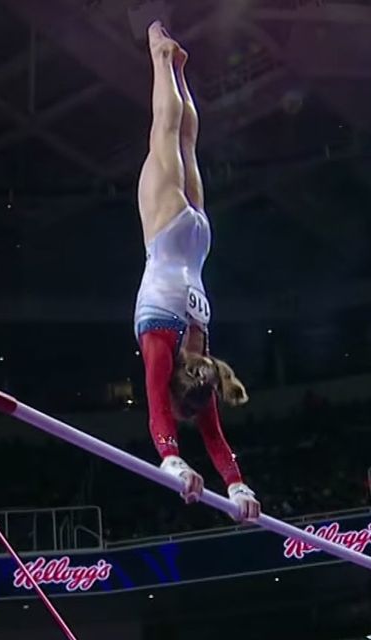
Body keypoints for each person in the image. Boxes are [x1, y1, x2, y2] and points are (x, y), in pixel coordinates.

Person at [134, 20, 260, 523]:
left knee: (186, 141)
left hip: (198, 239)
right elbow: (157, 411)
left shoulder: (205, 364)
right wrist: (169, 459)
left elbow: (214, 435)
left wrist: (239, 487)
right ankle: (159, 53)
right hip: (165, 237)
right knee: (165, 132)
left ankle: (180, 71)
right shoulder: (164, 351)